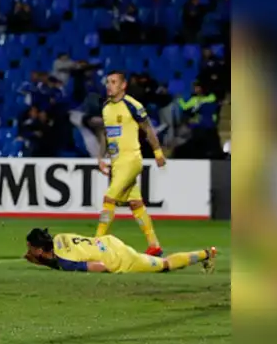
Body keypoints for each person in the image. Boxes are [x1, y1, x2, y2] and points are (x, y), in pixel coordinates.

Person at [97, 70, 166, 256]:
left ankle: (97, 243)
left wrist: (158, 152)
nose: (109, 85)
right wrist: (101, 157)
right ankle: (154, 245)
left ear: (123, 85)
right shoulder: (106, 107)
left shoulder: (132, 105)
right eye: (107, 82)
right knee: (136, 204)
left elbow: (148, 129)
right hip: (117, 163)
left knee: (109, 198)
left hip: (131, 160)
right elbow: (106, 134)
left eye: (113, 82)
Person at [22, 228, 216, 274]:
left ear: (39, 250)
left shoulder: (64, 262)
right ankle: (205, 255)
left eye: (30, 247)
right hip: (109, 242)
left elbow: (100, 266)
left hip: (120, 259)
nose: (28, 250)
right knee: (150, 259)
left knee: (164, 264)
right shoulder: (59, 237)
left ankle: (206, 254)